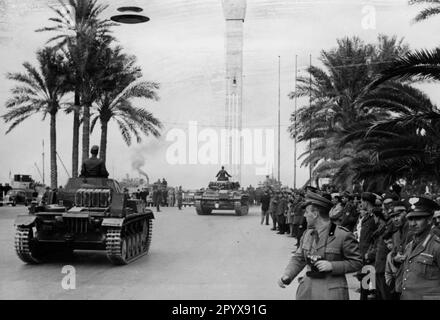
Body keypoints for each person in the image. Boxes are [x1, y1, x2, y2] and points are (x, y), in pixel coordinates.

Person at [278, 191, 362, 300]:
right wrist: (287, 274)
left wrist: (332, 266)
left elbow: (357, 262)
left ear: (315, 214)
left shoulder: (342, 235)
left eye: (307, 212)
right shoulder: (308, 234)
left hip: (331, 293)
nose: (304, 215)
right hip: (308, 292)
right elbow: (299, 258)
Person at [398, 196, 440, 300]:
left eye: (418, 219)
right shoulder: (409, 246)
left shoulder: (436, 247)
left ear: (429, 220)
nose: (413, 224)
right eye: (410, 219)